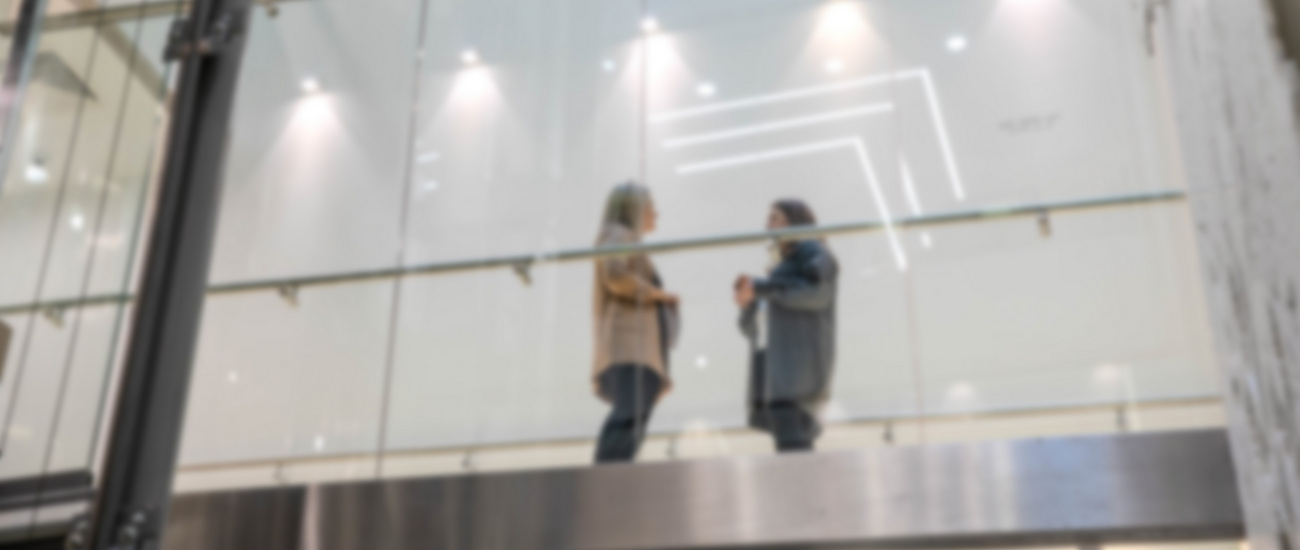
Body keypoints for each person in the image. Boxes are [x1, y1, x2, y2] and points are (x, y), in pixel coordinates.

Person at [735, 199, 839, 452]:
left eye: (776, 217)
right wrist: (749, 302)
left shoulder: (814, 252)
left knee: (795, 461)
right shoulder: (780, 271)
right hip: (776, 382)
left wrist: (762, 288)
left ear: (797, 222)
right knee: (796, 459)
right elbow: (751, 329)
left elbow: (816, 293)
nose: (767, 225)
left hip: (794, 383)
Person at [592, 182, 679, 463]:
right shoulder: (619, 234)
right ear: (635, 208)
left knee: (633, 421)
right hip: (630, 348)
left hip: (639, 351)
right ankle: (606, 482)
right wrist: (659, 294)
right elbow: (616, 276)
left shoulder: (626, 238)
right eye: (651, 206)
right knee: (628, 417)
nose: (656, 213)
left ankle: (611, 481)